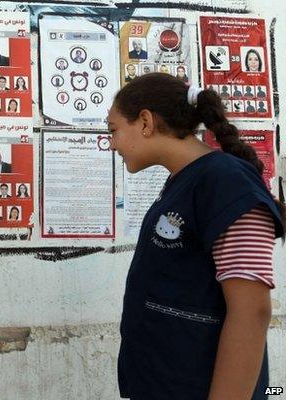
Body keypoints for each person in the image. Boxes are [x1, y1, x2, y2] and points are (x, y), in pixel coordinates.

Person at [109, 73, 285, 400]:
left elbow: (251, 311)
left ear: (145, 121)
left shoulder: (227, 182)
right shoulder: (184, 182)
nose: (112, 143)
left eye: (113, 130)